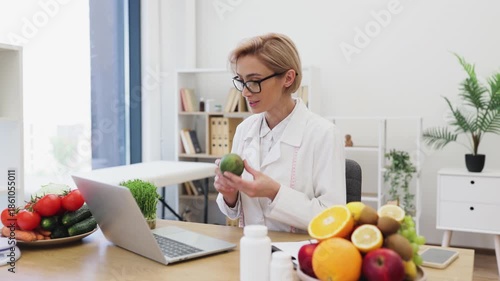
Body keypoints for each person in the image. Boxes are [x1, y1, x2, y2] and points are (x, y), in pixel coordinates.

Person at [214, 33, 346, 233]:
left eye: (254, 81)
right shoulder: (244, 130)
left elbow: (332, 218)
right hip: (250, 248)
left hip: (299, 256)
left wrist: (275, 192)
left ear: (288, 78)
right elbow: (233, 212)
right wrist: (229, 194)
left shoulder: (324, 134)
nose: (245, 92)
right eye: (241, 81)